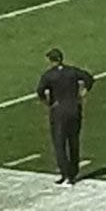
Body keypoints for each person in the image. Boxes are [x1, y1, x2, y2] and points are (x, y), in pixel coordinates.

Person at [37, 48, 93, 185]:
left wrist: (49, 103)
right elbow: (89, 79)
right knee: (74, 141)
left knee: (59, 143)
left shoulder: (49, 75)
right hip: (74, 108)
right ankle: (73, 173)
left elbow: (40, 92)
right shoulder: (72, 71)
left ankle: (65, 173)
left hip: (59, 111)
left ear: (51, 60)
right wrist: (82, 93)